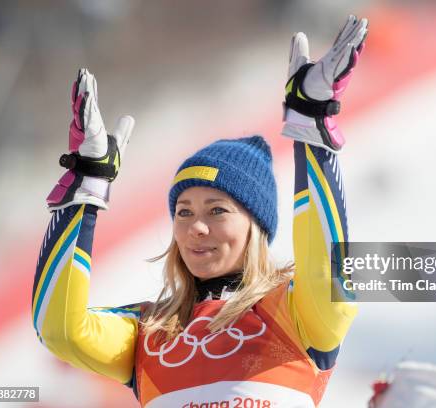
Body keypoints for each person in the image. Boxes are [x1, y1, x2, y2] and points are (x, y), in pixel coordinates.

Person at [32, 15, 368, 407]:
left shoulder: (292, 314)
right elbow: (60, 330)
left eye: (217, 211)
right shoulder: (149, 331)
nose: (197, 228)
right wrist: (86, 187)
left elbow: (332, 280)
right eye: (184, 213)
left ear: (255, 225)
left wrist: (310, 128)